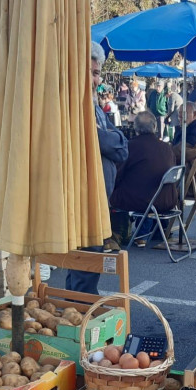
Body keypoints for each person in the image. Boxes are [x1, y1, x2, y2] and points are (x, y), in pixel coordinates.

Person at [65, 41, 129, 294]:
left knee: (85, 264)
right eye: (88, 72)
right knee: (85, 263)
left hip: (99, 196)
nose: (93, 80)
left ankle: (77, 308)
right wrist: (111, 140)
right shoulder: (73, 107)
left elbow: (120, 146)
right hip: (83, 197)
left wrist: (111, 140)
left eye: (96, 72)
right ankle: (81, 312)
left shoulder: (93, 106)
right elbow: (103, 141)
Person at [111, 111, 178, 247]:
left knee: (110, 192)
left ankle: (116, 234)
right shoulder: (166, 148)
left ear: (135, 128)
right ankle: (144, 233)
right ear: (154, 127)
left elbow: (116, 175)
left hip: (142, 202)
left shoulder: (130, 146)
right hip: (167, 200)